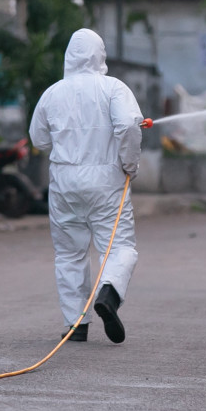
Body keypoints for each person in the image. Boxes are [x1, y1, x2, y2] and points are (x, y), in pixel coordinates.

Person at [29, 29, 144, 344]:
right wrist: (130, 165)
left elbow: (38, 139)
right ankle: (109, 294)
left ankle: (75, 324)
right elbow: (128, 127)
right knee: (119, 247)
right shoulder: (113, 88)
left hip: (64, 183)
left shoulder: (52, 93)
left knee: (69, 253)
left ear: (69, 56)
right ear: (100, 54)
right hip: (106, 181)